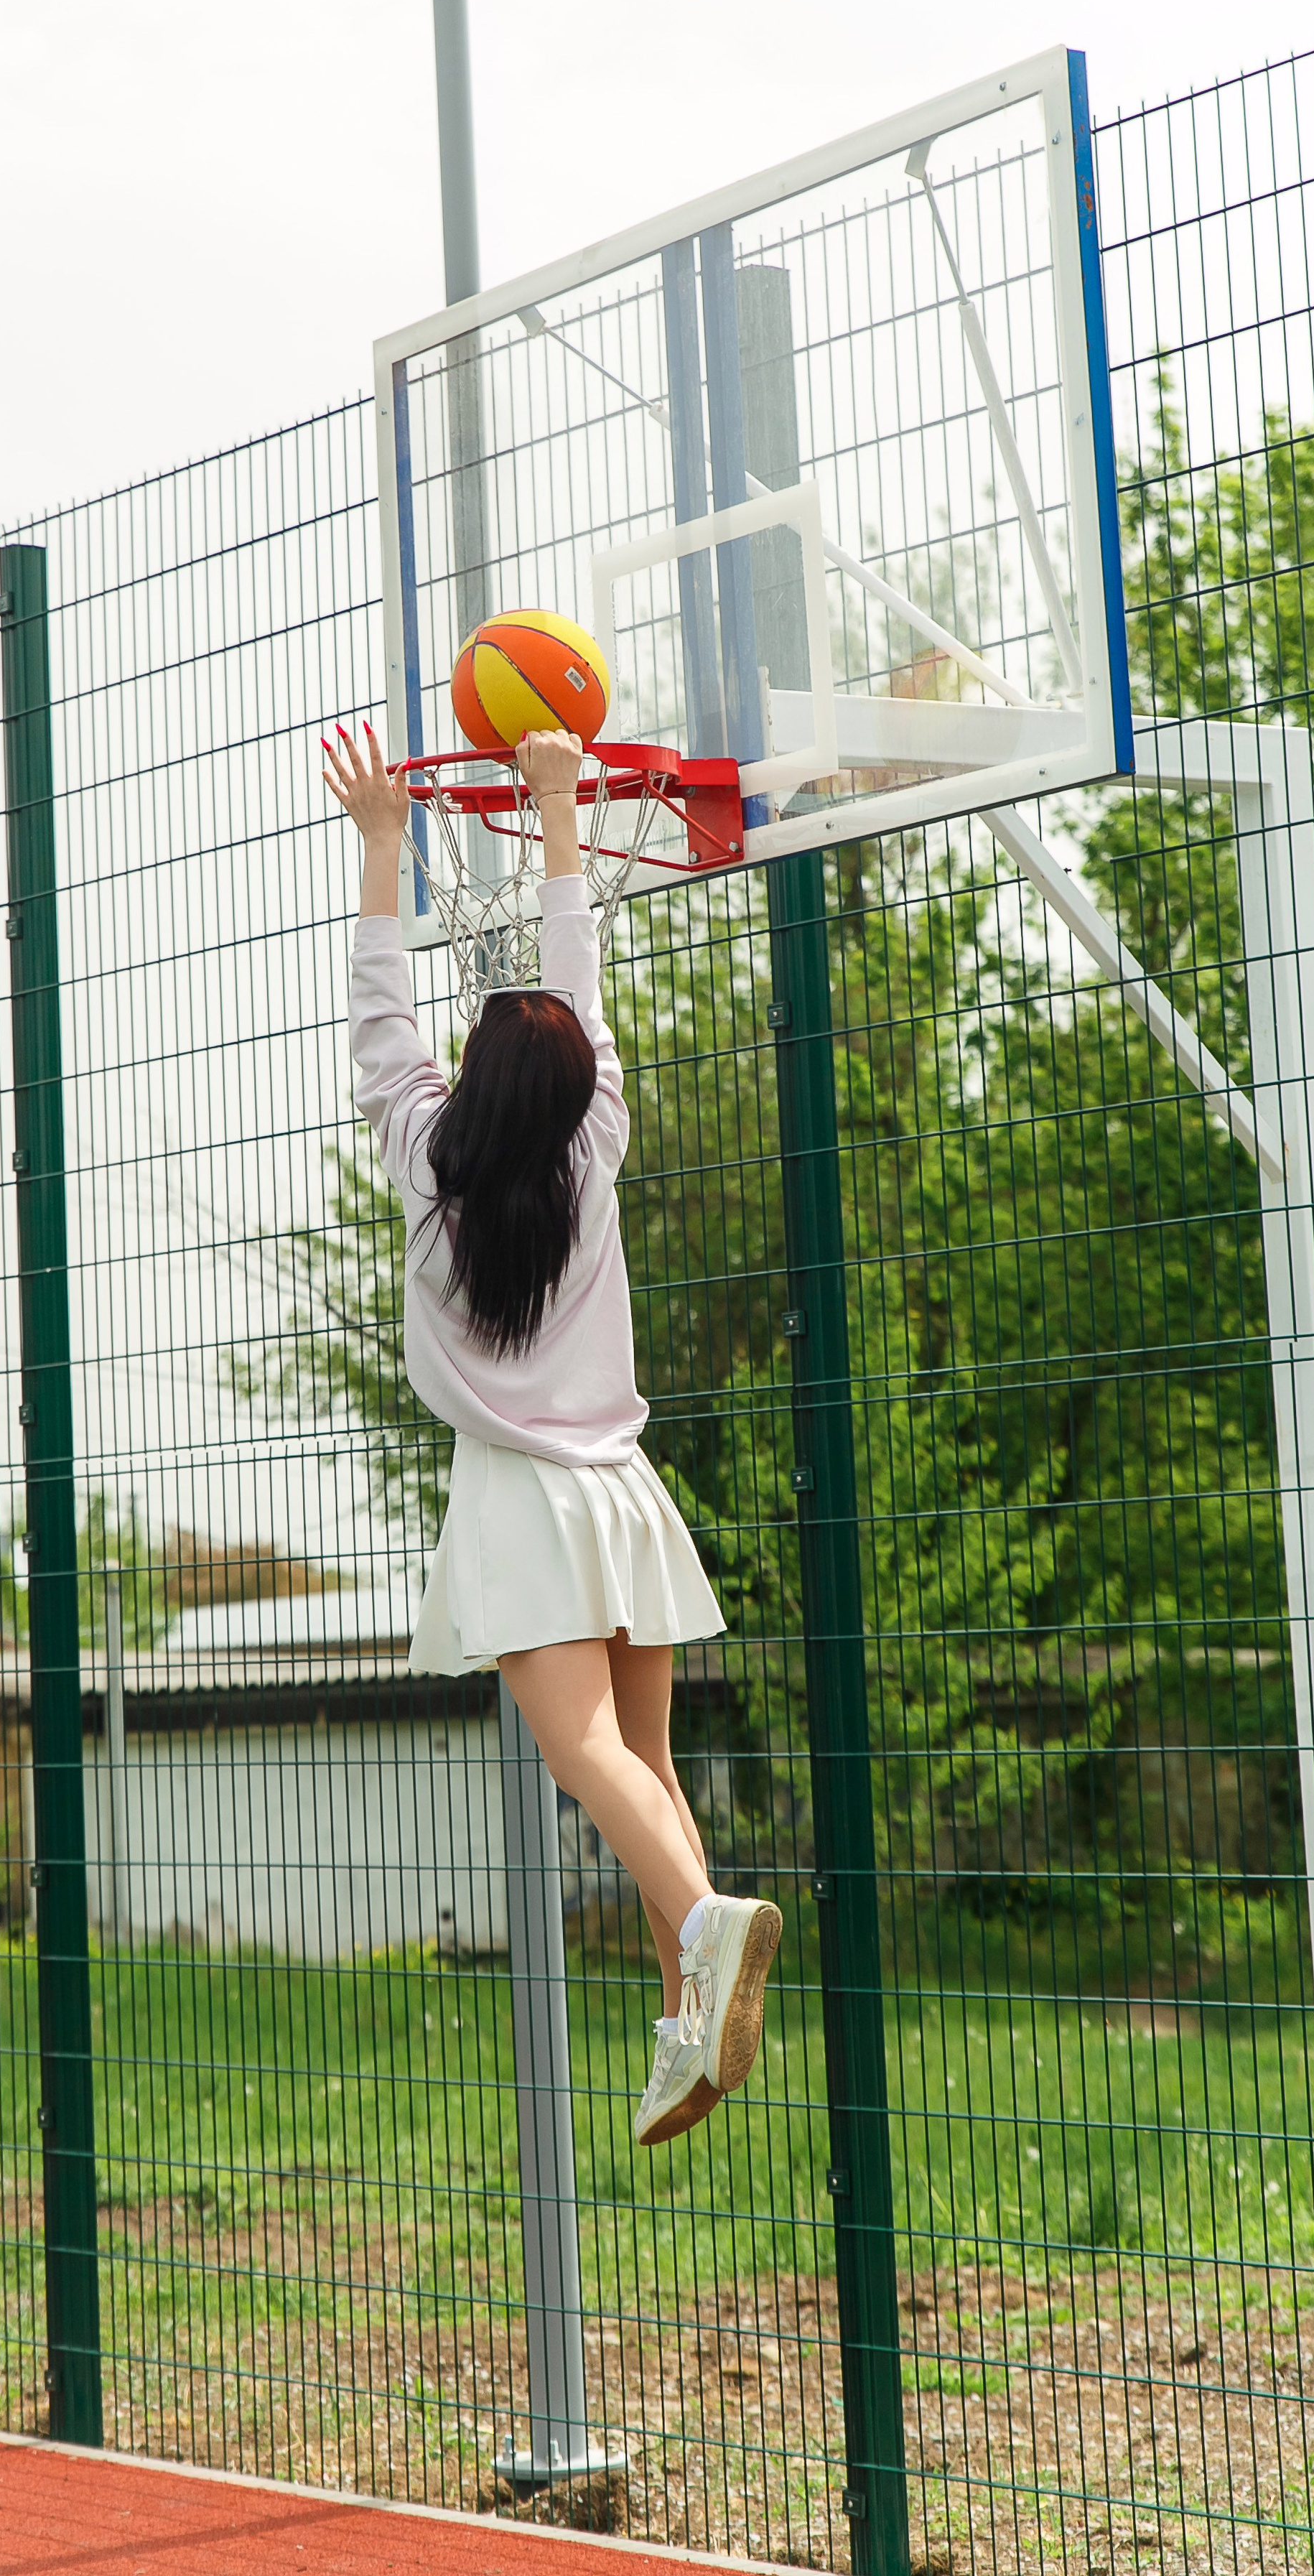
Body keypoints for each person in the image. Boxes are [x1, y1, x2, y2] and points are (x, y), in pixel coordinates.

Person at [322, 717, 782, 2148]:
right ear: (578, 1091)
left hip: (524, 1501)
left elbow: (378, 1023)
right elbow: (575, 976)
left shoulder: (425, 1167)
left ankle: (707, 1924)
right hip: (626, 1492)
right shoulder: (595, 1155)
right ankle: (685, 2029)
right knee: (640, 1767)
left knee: (583, 1756)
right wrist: (560, 813)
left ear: (468, 1094)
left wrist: (381, 848)